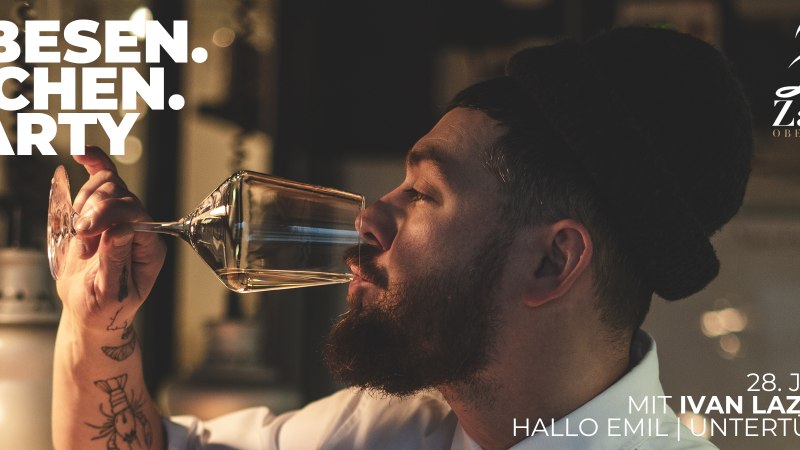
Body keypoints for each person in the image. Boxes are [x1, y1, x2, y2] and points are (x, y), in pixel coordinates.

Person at [52, 27, 753, 450]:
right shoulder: (389, 427)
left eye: (422, 192)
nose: (369, 218)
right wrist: (97, 324)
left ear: (552, 260)